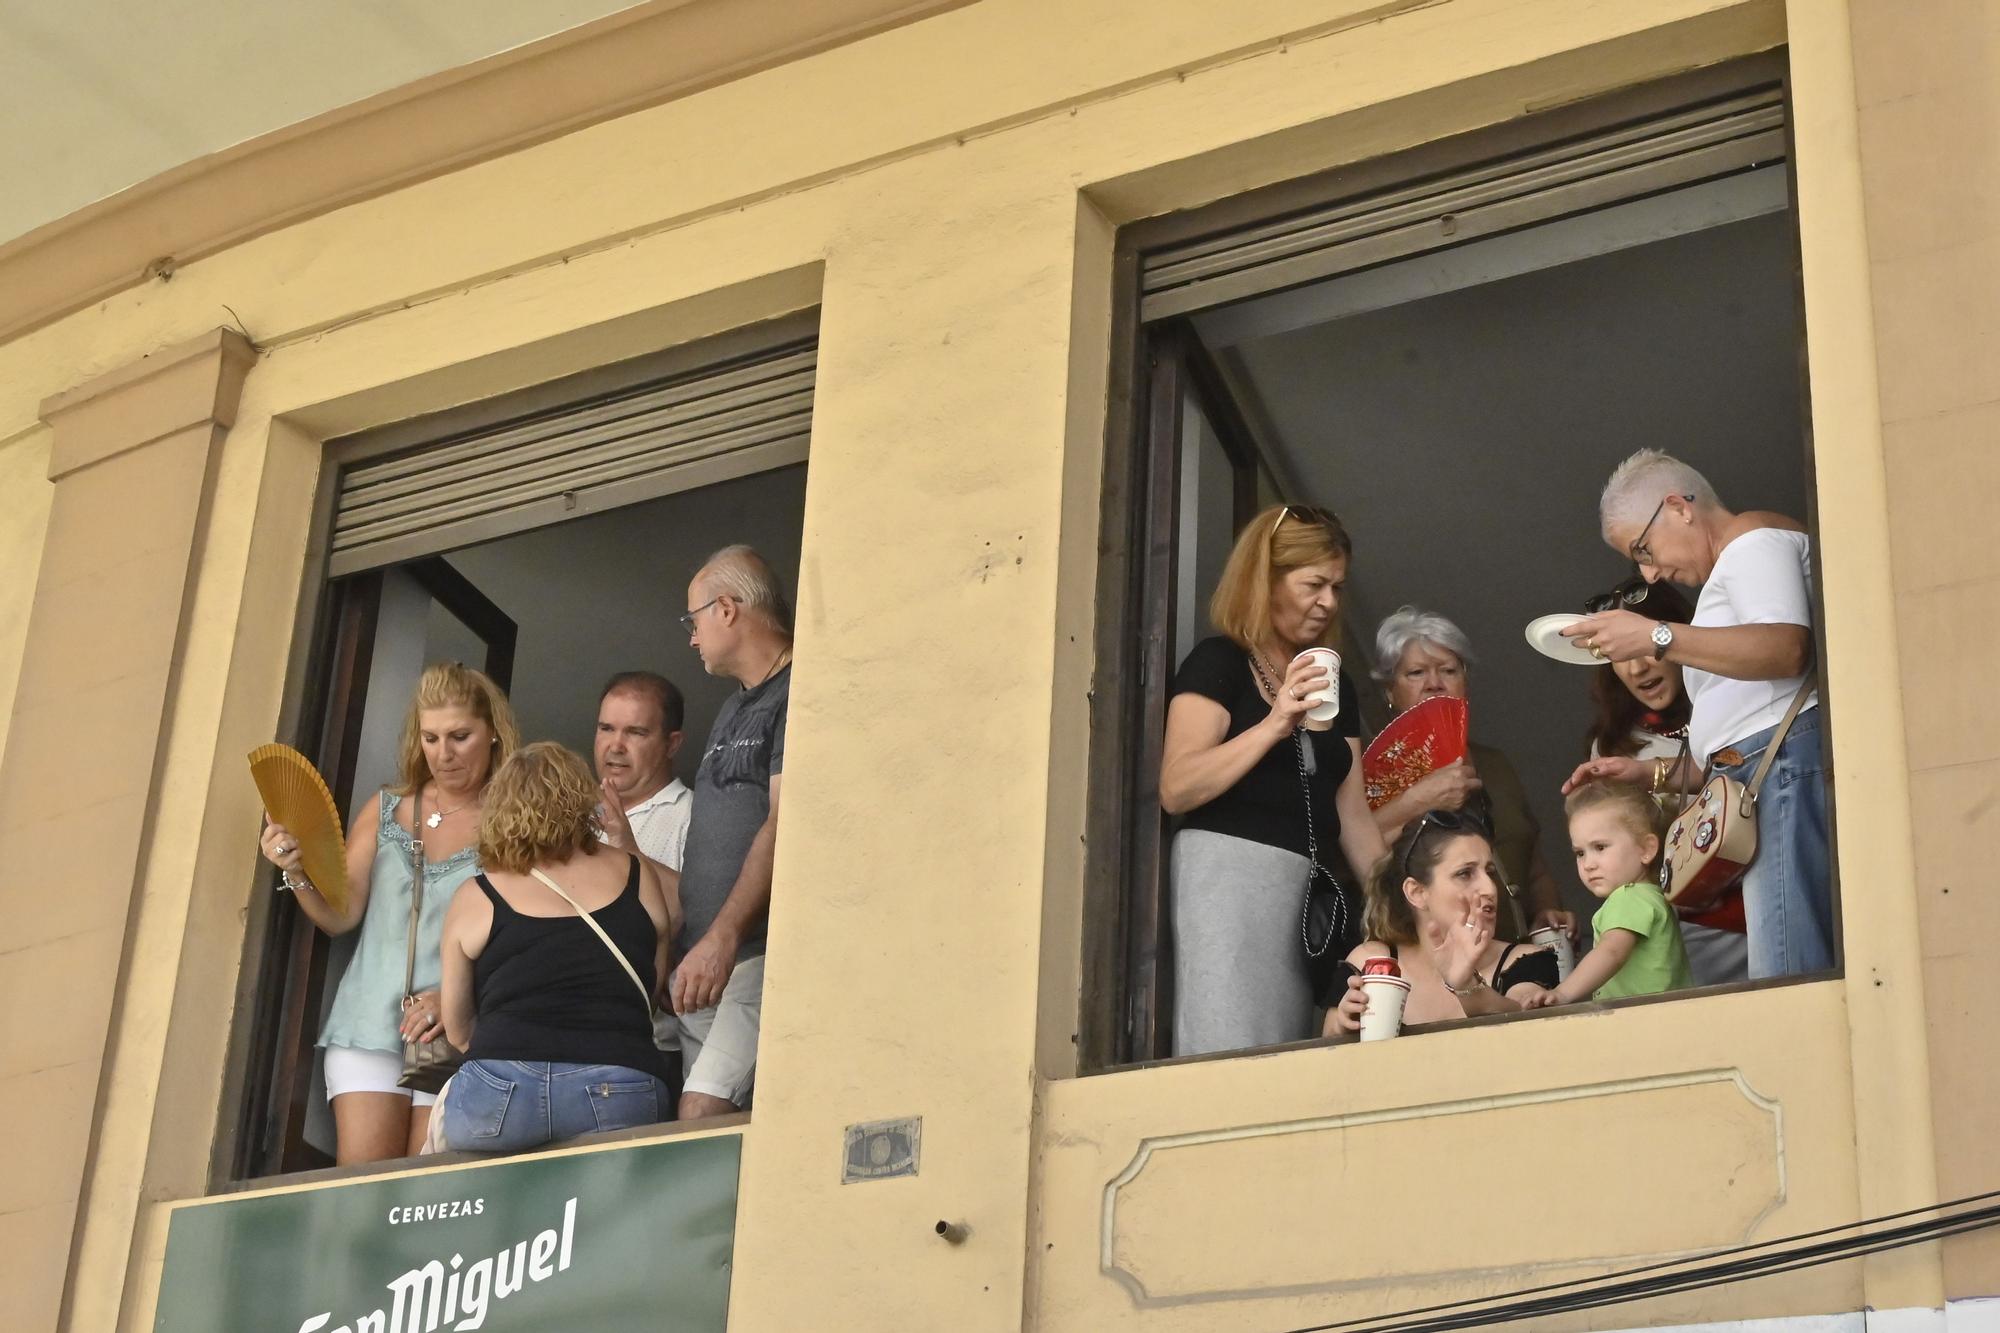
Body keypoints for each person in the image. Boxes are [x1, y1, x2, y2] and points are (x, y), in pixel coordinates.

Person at [1563, 449, 1832, 979]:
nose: (1651, 570)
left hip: (1779, 770)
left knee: (1786, 967)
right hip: (1758, 773)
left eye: (1644, 548)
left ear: (1678, 507)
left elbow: (1785, 649)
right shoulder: (1736, 562)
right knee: (1780, 959)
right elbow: (1743, 720)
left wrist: (1656, 636)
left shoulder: (1751, 541)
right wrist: (1647, 774)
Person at [259, 662, 519, 1164]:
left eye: (460, 736)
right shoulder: (386, 807)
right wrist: (295, 871)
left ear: (493, 734)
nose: (444, 753)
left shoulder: (513, 820)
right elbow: (342, 915)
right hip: (368, 1024)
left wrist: (453, 994)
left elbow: (528, 931)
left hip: (456, 1024)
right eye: (431, 737)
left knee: (426, 1189)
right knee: (360, 1191)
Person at [1160, 504, 1387, 1056]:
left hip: (1309, 891)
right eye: (1314, 584)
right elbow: (1177, 786)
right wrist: (1275, 723)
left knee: (1303, 1048)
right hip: (1229, 879)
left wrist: (1400, 902)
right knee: (1233, 1048)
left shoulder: (1337, 682)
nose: (1328, 602)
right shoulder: (1220, 663)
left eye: (1337, 587)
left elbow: (1353, 815)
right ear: (1265, 580)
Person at [436, 743, 677, 1152]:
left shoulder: (477, 895)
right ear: (582, 801)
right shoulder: (636, 874)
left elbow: (459, 1029)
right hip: (619, 1082)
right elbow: (647, 995)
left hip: (499, 1091)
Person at [1367, 607, 1575, 944]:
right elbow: (1357, 855)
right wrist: (1418, 801)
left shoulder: (1495, 764)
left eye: (1449, 670)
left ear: (1466, 683)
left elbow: (1534, 867)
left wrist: (1546, 912)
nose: (1434, 684)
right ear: (1390, 691)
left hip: (1519, 958)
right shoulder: (1372, 778)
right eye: (1416, 673)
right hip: (1437, 963)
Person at [670, 544, 792, 1119]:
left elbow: (784, 822)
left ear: (725, 609)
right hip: (705, 971)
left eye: (692, 620)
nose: (691, 638)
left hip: (756, 953)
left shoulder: (799, 690)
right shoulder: (732, 707)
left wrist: (722, 939)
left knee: (701, 1112)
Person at [1581, 576, 1748, 987]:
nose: (1637, 667)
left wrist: (1654, 773)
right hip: (1679, 929)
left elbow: (1744, 765)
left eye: (1647, 648)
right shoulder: (1613, 746)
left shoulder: (1735, 701)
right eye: (1621, 656)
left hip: (1761, 906)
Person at [1326, 810, 1556, 1036]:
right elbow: (1324, 1056)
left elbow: (1528, 1028)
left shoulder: (1525, 960)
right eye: (1465, 874)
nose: (1489, 889)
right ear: (1416, 892)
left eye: (1490, 872)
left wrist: (1467, 986)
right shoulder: (1373, 962)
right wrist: (1342, 1026)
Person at [1526, 782, 1693, 1006]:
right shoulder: (1651, 896)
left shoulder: (1628, 897)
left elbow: (1612, 951)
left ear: (1646, 849)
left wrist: (1563, 993)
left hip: (1645, 1024)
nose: (1588, 864)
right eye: (1580, 853)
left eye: (1600, 847)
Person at [593, 669, 691, 898]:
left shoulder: (694, 817)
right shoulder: (571, 811)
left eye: (635, 733)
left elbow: (698, 910)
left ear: (672, 744)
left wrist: (627, 848)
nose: (616, 746)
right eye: (606, 728)